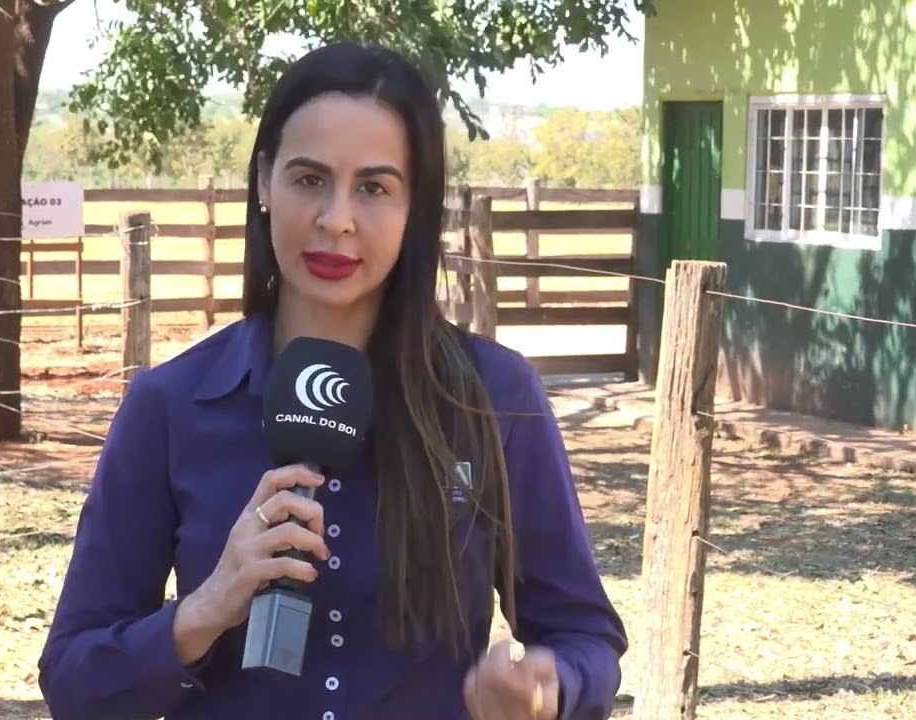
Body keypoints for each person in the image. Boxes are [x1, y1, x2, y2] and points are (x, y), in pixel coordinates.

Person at [37, 40, 627, 720]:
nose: (337, 219)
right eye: (309, 179)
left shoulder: (493, 399)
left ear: (417, 209)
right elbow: (75, 685)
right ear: (264, 182)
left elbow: (586, 639)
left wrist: (549, 687)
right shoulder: (167, 407)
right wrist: (200, 613)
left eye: (373, 187)